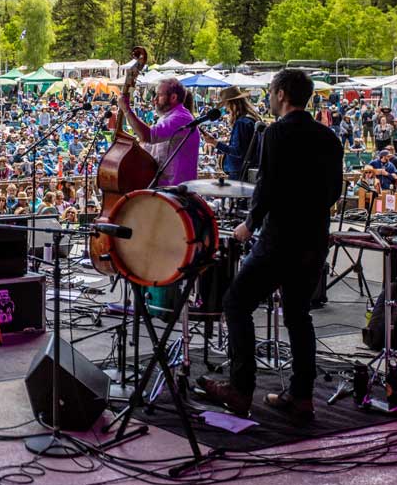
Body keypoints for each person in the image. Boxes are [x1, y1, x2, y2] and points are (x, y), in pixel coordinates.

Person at [199, 69, 343, 423]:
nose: (268, 96)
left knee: (236, 302)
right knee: (297, 315)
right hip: (314, 238)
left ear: (281, 94)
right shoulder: (329, 137)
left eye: (271, 91)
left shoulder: (276, 132)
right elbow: (335, 193)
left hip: (281, 239)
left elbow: (268, 183)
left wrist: (250, 224)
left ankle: (240, 388)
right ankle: (301, 396)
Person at [118, 78, 198, 186]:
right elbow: (149, 148)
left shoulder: (181, 118)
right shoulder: (165, 118)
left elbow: (148, 136)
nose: (154, 100)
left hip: (176, 191)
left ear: (173, 97)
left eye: (159, 95)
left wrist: (127, 110)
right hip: (162, 189)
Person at [201, 85, 262, 181]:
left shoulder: (242, 123)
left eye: (227, 105)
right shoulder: (251, 119)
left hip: (240, 173)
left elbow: (238, 151)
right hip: (248, 171)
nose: (227, 109)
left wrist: (214, 143)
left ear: (233, 104)